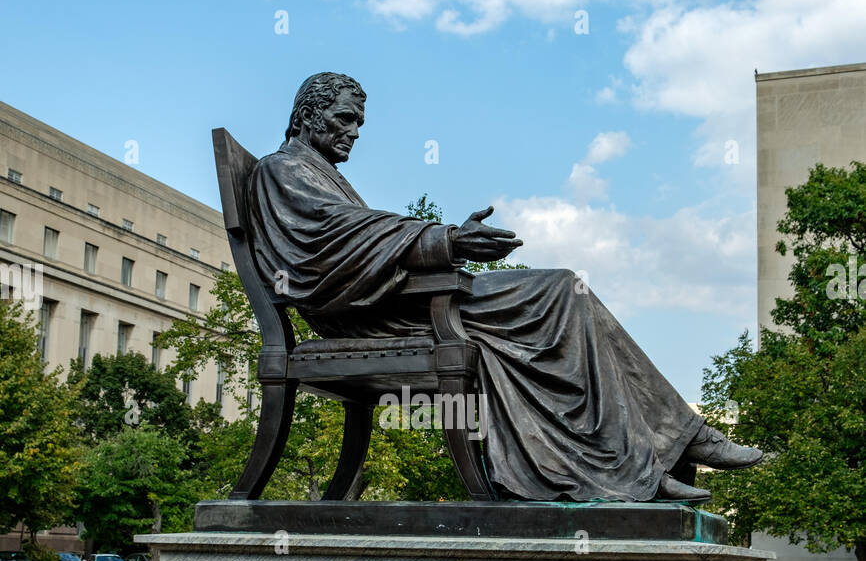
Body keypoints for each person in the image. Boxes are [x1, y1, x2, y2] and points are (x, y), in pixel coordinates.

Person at [248, 72, 763, 504]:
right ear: (306, 115)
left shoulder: (319, 174)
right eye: (343, 119)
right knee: (560, 291)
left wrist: (438, 242)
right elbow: (328, 244)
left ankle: (656, 450)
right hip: (372, 313)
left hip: (396, 298)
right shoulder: (281, 170)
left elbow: (358, 237)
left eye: (359, 123)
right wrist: (447, 240)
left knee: (566, 295)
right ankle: (641, 459)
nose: (353, 132)